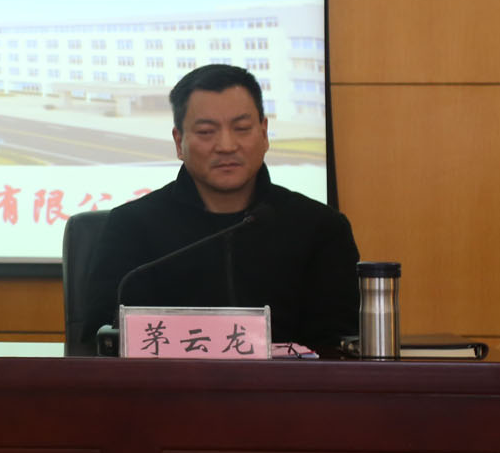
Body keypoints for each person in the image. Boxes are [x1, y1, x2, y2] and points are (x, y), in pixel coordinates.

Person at [80, 63, 358, 357]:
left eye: (242, 129)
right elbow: (100, 343)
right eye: (206, 132)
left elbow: (339, 348)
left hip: (289, 387)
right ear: (179, 142)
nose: (226, 146)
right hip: (166, 387)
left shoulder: (321, 229)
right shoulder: (131, 227)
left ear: (264, 133)